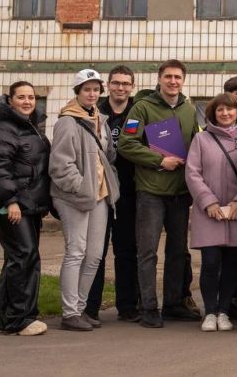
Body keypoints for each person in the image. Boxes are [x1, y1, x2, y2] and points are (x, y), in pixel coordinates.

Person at [118, 59, 200, 328]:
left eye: (177, 77)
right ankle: (149, 307)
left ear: (183, 80)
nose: (173, 81)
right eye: (168, 77)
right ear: (160, 79)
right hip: (151, 192)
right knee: (148, 252)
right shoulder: (141, 108)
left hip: (179, 192)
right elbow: (126, 144)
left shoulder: (189, 109)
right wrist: (159, 160)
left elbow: (196, 144)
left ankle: (174, 303)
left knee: (177, 251)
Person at [0, 81, 51, 336]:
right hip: (12, 206)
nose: (27, 101)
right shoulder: (2, 129)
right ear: (10, 100)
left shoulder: (30, 127)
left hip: (28, 205)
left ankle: (4, 319)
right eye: (21, 97)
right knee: (24, 256)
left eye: (31, 97)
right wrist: (10, 201)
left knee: (17, 258)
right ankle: (19, 319)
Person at [50, 70, 120, 331]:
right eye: (87, 89)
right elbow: (60, 165)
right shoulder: (67, 122)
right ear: (77, 92)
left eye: (95, 89)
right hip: (74, 198)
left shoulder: (100, 119)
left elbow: (108, 156)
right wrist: (80, 188)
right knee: (75, 252)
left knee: (94, 256)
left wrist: (109, 183)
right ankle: (69, 312)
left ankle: (80, 309)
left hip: (99, 196)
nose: (92, 94)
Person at [185, 94, 237, 332]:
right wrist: (208, 202)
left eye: (230, 109)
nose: (225, 113)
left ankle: (224, 311)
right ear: (213, 113)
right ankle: (210, 312)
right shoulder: (201, 139)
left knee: (233, 264)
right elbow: (192, 173)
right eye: (220, 109)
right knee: (210, 262)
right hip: (209, 213)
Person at [87, 65, 139, 323]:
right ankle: (90, 308)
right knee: (95, 252)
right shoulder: (95, 111)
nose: (121, 87)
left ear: (132, 87)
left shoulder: (137, 112)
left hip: (129, 192)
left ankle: (128, 306)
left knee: (127, 251)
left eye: (125, 83)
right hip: (100, 192)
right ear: (108, 85)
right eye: (116, 83)